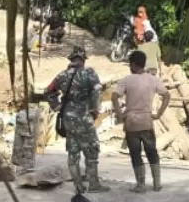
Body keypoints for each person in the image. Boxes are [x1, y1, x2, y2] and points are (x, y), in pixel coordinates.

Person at [45, 45, 107, 193]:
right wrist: (95, 109)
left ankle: (78, 186)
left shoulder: (62, 75)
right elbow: (97, 90)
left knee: (73, 152)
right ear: (83, 59)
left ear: (71, 59)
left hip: (68, 119)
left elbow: (48, 91)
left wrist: (58, 107)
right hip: (84, 118)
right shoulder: (89, 73)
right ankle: (94, 185)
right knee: (91, 150)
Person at [112, 50, 172, 192]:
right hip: (146, 120)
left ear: (133, 64)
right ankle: (157, 183)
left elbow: (115, 96)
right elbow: (166, 95)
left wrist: (120, 115)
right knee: (152, 151)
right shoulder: (153, 79)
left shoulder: (126, 80)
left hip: (131, 121)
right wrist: (158, 114)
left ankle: (141, 184)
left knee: (135, 153)